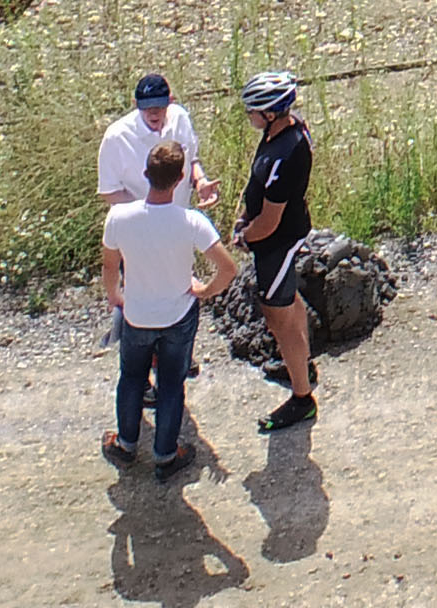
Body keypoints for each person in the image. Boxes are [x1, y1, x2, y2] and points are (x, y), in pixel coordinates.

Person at [100, 146, 229, 472]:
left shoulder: (119, 218)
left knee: (131, 378)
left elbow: (109, 266)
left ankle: (126, 444)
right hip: (178, 315)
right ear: (180, 179)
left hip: (137, 314)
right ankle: (166, 455)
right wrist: (204, 291)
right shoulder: (192, 222)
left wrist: (115, 295)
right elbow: (228, 269)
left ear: (146, 175)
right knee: (171, 384)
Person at [234, 71, 318, 431]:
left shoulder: (286, 154)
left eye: (252, 110)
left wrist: (245, 236)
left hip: (277, 243)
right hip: (283, 234)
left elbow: (269, 222)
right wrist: (243, 215)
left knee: (277, 317)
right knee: (289, 300)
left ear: (269, 113)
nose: (249, 116)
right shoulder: (284, 129)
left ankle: (302, 398)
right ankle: (303, 363)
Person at [99, 73, 210, 215]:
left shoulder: (180, 118)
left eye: (159, 105)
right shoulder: (116, 137)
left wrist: (201, 182)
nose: (153, 113)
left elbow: (192, 160)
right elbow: (109, 191)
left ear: (170, 101)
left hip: (180, 218)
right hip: (138, 226)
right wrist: (150, 213)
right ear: (135, 104)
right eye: (146, 107)